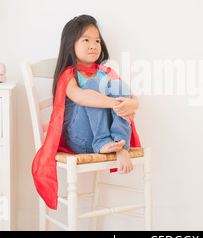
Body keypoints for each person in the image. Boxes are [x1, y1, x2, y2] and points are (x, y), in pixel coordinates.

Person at [53, 15, 139, 174]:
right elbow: (80, 97)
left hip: (111, 138)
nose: (93, 45)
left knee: (119, 85)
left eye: (97, 41)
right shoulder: (69, 74)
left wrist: (134, 104)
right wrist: (117, 104)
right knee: (93, 85)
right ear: (70, 45)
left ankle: (121, 145)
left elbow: (129, 97)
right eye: (86, 40)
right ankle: (102, 141)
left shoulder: (106, 72)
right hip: (80, 138)